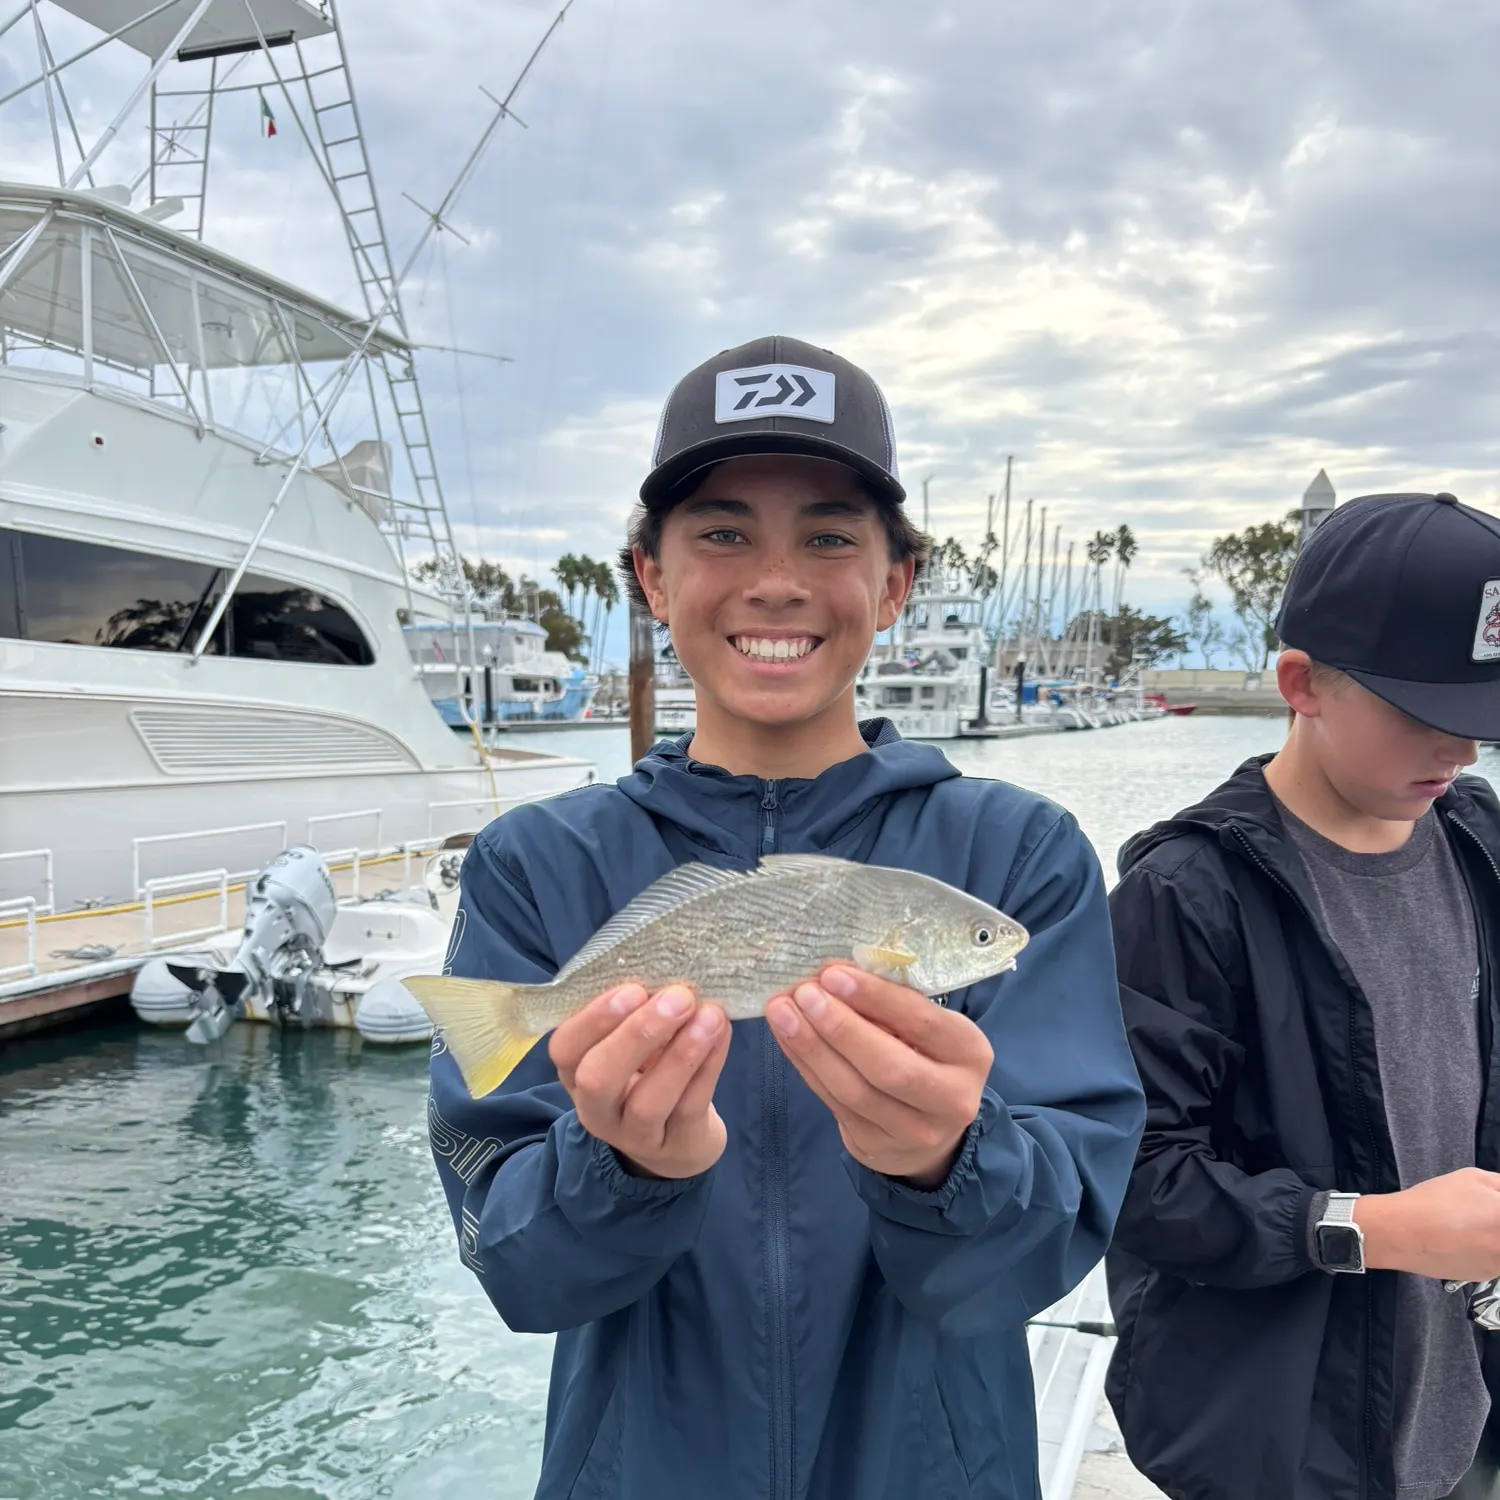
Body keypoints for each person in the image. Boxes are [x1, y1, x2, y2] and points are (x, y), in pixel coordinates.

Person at [426, 335, 1145, 1499]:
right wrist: (620, 1166)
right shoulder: (535, 864)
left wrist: (946, 1162)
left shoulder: (1021, 856)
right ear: (652, 578)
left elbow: (1053, 1245)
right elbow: (517, 1271)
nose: (775, 580)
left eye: (828, 536)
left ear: (896, 583)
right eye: (721, 534)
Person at [1106, 492, 1500, 1500]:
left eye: (1487, 718)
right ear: (1301, 683)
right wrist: (1371, 1226)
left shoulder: (1481, 840)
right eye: (1427, 717)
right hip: (1275, 1444)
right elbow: (1134, 1181)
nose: (1462, 751)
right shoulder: (1184, 894)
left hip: (1467, 1415)